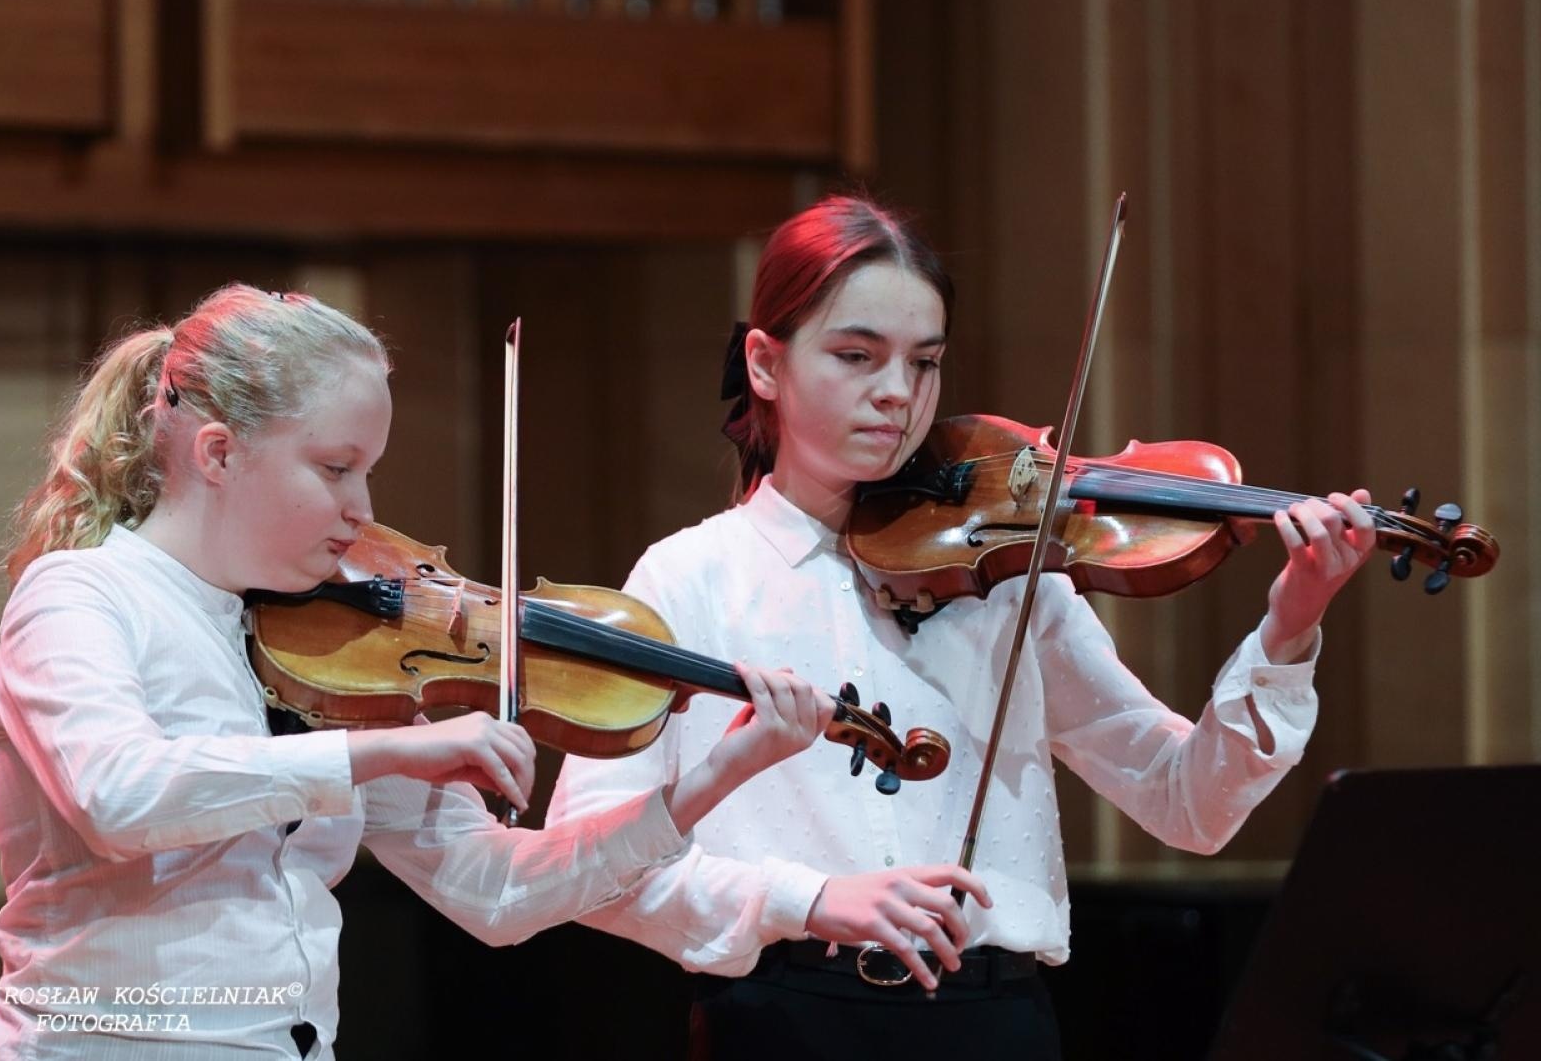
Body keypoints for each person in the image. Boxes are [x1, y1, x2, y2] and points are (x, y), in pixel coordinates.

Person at [545, 195, 1378, 1059]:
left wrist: (1288, 626)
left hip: (996, 1024)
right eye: (857, 356)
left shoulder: (1007, 582)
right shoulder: (692, 579)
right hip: (782, 1024)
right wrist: (813, 898)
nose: (899, 395)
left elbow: (1187, 804)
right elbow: (592, 864)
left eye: (925, 362)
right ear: (764, 362)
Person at [0, 284, 836, 1060]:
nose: (365, 511)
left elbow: (496, 892)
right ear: (217, 453)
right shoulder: (82, 596)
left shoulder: (334, 652)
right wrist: (380, 755)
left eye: (371, 471)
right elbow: (119, 798)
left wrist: (717, 773)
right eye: (335, 468)